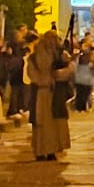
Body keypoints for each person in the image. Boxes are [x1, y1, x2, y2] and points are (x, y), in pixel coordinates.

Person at [26, 28, 74, 161]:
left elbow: (70, 69)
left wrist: (60, 73)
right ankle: (41, 150)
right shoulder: (35, 57)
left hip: (54, 92)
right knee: (41, 123)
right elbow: (32, 73)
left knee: (53, 123)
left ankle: (51, 150)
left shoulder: (60, 54)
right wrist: (45, 80)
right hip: (42, 93)